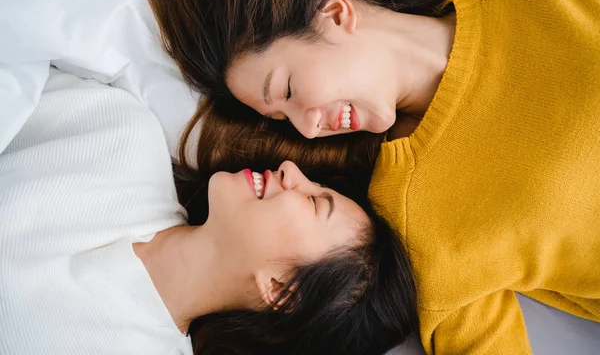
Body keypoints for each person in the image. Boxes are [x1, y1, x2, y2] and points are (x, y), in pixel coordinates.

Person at [129, 0, 600, 353]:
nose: (307, 129)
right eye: (283, 119)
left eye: (288, 90)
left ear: (335, 14)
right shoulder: (414, 216)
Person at [0, 69, 418, 355]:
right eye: (316, 184)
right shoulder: (119, 134)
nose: (293, 171)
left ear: (281, 290)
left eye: (313, 201)